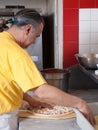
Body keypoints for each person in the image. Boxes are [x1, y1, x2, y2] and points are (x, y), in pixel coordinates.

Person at [0, 9, 95, 130]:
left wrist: (30, 99)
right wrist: (80, 103)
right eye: (36, 36)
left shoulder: (2, 40)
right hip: (3, 118)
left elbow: (5, 80)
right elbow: (42, 91)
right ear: (28, 29)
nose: (34, 41)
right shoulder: (16, 53)